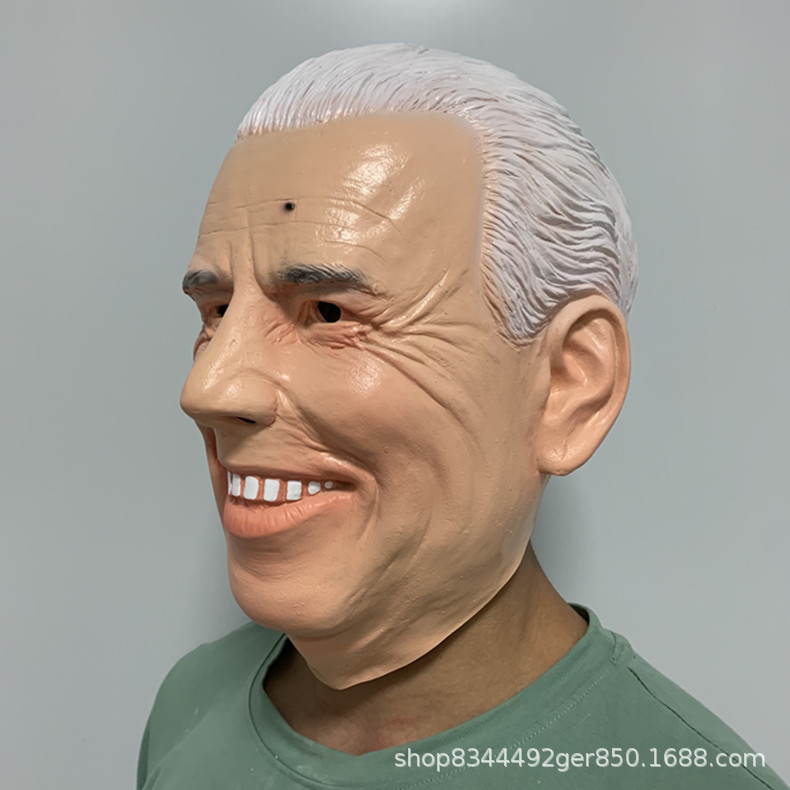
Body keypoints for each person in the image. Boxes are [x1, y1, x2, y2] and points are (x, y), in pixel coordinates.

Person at [137, 43, 787, 789]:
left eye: (327, 312)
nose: (208, 388)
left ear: (567, 384)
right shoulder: (190, 706)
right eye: (217, 312)